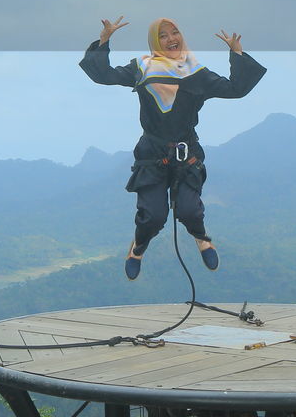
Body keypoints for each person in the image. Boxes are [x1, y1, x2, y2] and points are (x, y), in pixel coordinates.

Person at [80, 16, 266, 280]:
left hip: (186, 153)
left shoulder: (196, 72)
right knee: (153, 216)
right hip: (152, 154)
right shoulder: (142, 67)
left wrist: (236, 54)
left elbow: (235, 89)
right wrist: (104, 40)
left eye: (174, 32)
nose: (170, 39)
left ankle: (202, 239)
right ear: (155, 41)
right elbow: (103, 75)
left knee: (189, 210)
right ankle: (138, 247)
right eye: (163, 35)